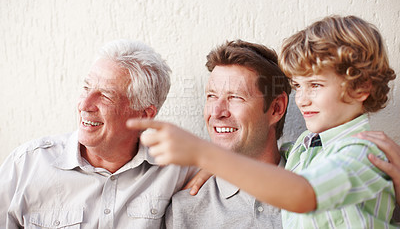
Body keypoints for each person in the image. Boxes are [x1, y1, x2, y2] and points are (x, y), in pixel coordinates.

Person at [128, 15, 397, 228]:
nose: (302, 99)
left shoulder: (362, 152)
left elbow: (303, 194)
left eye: (315, 84)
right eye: (298, 85)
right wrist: (223, 164)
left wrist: (205, 155)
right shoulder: (305, 148)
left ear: (361, 87)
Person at [0, 39, 198, 228]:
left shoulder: (177, 170)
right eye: (86, 88)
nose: (84, 105)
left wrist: (211, 166)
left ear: (145, 115)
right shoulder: (25, 166)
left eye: (106, 95)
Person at [142, 40, 291, 228]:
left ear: (276, 108)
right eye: (211, 96)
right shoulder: (185, 211)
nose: (217, 112)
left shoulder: (319, 186)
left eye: (235, 97)